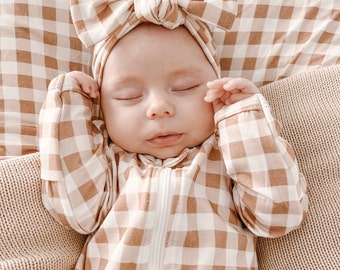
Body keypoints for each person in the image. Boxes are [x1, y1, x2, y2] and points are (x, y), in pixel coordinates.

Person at [39, 1, 308, 269]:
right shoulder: (111, 166)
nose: (159, 108)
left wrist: (243, 118)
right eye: (129, 96)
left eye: (184, 87)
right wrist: (69, 103)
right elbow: (75, 211)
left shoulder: (225, 157)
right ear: (102, 107)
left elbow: (278, 216)